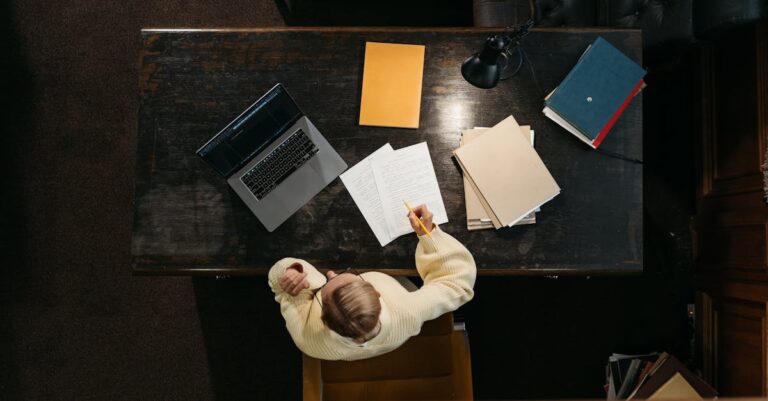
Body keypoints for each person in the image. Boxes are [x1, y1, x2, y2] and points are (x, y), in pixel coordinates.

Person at [268, 204, 476, 361]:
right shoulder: (407, 310)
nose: (330, 273)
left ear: (322, 317)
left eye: (328, 282)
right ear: (376, 292)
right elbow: (458, 284)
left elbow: (279, 286)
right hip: (395, 334)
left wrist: (290, 272)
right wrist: (428, 235)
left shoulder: (308, 340)